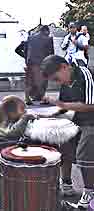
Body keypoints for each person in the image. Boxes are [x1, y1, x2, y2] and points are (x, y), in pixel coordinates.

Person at [0, 95, 78, 211]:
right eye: (22, 109)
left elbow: (34, 118)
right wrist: (25, 118)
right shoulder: (6, 126)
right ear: (11, 112)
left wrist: (53, 115)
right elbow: (13, 132)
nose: (25, 112)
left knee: (0, 187)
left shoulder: (8, 123)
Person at [40, 54, 94, 209]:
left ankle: (90, 191)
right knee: (61, 139)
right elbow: (64, 107)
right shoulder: (66, 82)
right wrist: (47, 115)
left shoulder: (84, 75)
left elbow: (91, 104)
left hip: (91, 121)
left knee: (85, 149)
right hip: (78, 120)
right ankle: (66, 183)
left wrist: (61, 104)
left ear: (65, 67)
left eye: (57, 79)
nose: (58, 83)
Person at [25, 25, 54, 105]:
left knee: (30, 81)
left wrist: (27, 60)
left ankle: (27, 99)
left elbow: (26, 50)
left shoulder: (30, 37)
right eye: (48, 32)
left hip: (30, 62)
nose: (49, 33)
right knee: (42, 81)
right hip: (41, 63)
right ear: (46, 31)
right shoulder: (48, 39)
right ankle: (42, 99)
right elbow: (51, 53)